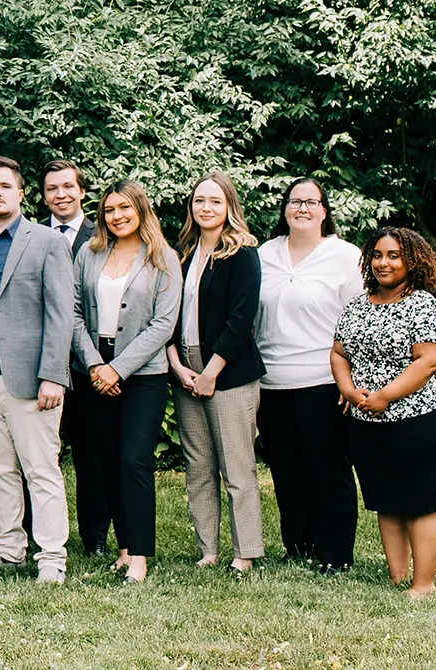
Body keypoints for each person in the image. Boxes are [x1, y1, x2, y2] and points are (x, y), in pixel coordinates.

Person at [0, 156, 74, 584]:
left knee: (41, 469)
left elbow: (61, 313)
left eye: (5, 186)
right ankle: (10, 549)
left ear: (21, 193)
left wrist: (53, 375)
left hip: (31, 379)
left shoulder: (46, 242)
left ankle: (51, 557)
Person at [332, 227, 436, 599]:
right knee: (386, 500)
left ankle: (424, 584)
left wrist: (384, 396)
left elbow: (430, 361)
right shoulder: (358, 305)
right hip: (366, 422)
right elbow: (339, 353)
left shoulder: (424, 305)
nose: (384, 262)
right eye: (379, 255)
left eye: (394, 255)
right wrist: (349, 390)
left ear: (412, 261)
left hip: (417, 420)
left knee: (420, 502)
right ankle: (398, 578)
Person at [70, 180, 182, 584]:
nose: (116, 216)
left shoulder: (164, 257)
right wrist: (97, 365)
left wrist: (119, 369)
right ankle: (122, 548)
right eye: (110, 209)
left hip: (143, 375)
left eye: (124, 208)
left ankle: (140, 556)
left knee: (133, 459)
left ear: (140, 210)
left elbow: (163, 325)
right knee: (107, 460)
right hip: (94, 370)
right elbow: (75, 312)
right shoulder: (90, 252)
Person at [257, 177, 363, 573]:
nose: (302, 208)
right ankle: (298, 546)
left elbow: (359, 322)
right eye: (294, 201)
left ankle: (335, 554)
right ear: (284, 208)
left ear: (324, 210)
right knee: (286, 471)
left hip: (324, 381)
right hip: (272, 382)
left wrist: (350, 380)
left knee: (328, 470)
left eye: (310, 202)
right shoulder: (265, 254)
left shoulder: (344, 256)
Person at [166, 172, 266, 573]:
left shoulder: (242, 254)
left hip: (229, 370)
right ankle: (209, 550)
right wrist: (176, 365)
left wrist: (210, 373)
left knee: (237, 467)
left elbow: (241, 320)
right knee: (198, 465)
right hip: (185, 368)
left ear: (229, 207)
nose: (205, 208)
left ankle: (246, 552)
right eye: (199, 201)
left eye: (215, 201)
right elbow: (167, 314)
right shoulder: (181, 253)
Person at [41, 159, 103, 555]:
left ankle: (94, 536)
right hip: (43, 363)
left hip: (87, 362)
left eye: (68, 187)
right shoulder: (28, 236)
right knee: (39, 453)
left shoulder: (103, 236)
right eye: (52, 189)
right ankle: (38, 531)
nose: (61, 195)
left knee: (90, 452)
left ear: (82, 191)